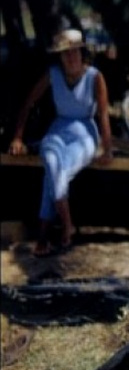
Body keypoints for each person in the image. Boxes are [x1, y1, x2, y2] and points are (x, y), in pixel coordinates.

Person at [7, 28, 113, 255]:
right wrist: (17, 137)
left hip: (85, 135)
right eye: (66, 53)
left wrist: (107, 149)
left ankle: (45, 235)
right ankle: (66, 225)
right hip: (57, 131)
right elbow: (28, 103)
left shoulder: (95, 77)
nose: (71, 57)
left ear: (82, 53)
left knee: (57, 173)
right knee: (51, 158)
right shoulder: (53, 74)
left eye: (75, 52)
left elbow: (103, 114)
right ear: (60, 56)